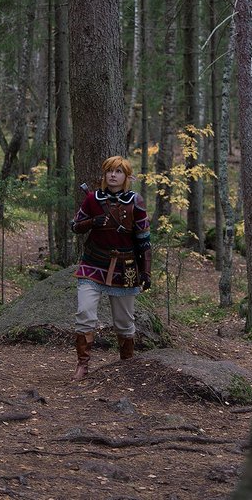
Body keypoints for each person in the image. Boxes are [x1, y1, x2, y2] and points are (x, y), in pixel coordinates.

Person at [70, 155, 151, 380]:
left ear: (126, 176)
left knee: (124, 322)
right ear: (104, 175)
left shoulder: (136, 201)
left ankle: (127, 364)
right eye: (109, 171)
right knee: (85, 312)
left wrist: (146, 271)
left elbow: (144, 239)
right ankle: (82, 365)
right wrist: (92, 222)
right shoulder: (92, 199)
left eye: (118, 171)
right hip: (93, 264)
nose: (113, 175)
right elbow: (75, 226)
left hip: (125, 268)